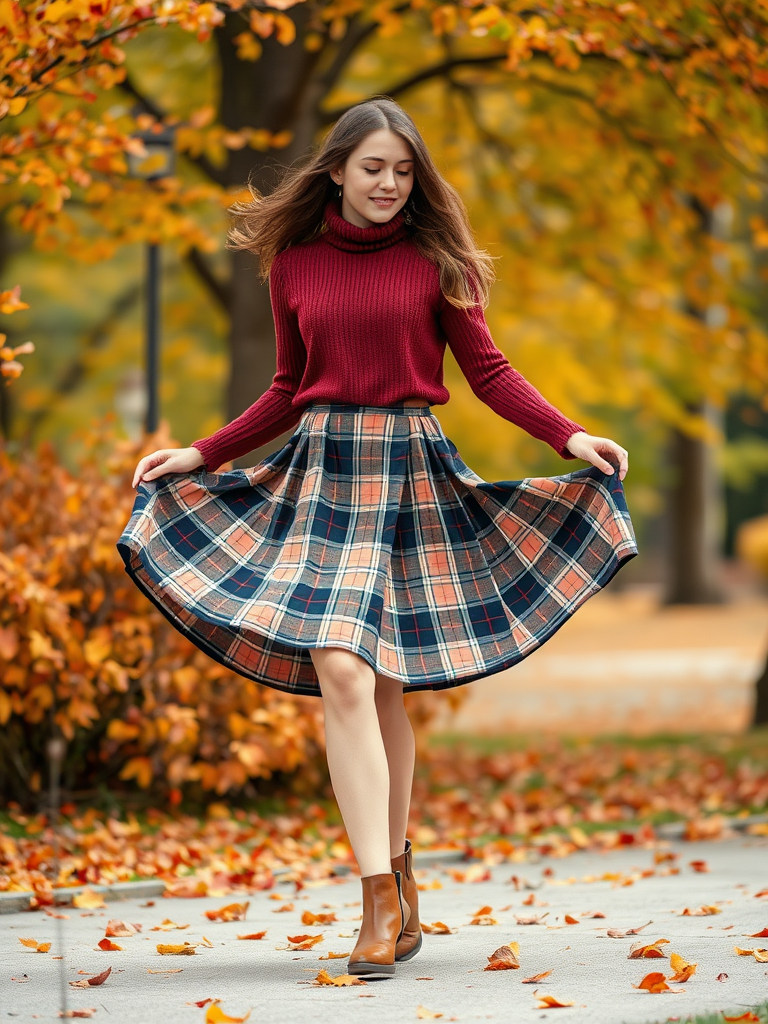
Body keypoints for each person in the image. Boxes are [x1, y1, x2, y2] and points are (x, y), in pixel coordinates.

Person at [118, 95, 637, 980]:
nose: (390, 183)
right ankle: (378, 895)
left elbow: (488, 371)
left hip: (409, 473)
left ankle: (395, 879)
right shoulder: (294, 262)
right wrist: (201, 454)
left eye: (403, 170)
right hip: (324, 473)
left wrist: (569, 436)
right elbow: (287, 387)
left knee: (382, 685)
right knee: (344, 669)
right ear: (336, 170)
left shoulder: (437, 261)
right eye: (373, 168)